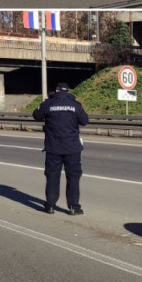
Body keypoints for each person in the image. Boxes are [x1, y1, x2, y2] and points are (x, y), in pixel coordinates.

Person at [32, 82, 89, 215]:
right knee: (73, 177)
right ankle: (74, 207)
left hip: (53, 148)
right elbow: (85, 121)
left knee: (52, 176)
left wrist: (42, 106)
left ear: (56, 90)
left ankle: (50, 205)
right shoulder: (76, 105)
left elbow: (36, 115)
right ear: (68, 91)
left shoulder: (48, 104)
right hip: (72, 148)